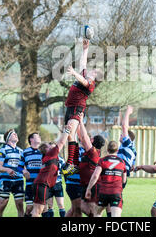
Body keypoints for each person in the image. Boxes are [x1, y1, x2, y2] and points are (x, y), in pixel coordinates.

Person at [62, 38, 100, 175]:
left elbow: (83, 80)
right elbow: (83, 63)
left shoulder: (90, 84)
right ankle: (75, 163)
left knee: (70, 134)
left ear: (94, 78)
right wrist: (85, 49)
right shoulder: (84, 75)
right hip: (69, 108)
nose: (92, 71)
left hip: (77, 109)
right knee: (73, 135)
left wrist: (73, 73)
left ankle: (70, 163)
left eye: (94, 72)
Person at [31, 122, 77, 217]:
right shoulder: (51, 154)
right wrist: (67, 130)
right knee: (38, 211)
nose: (52, 146)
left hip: (40, 184)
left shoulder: (49, 157)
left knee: (37, 210)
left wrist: (74, 168)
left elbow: (65, 169)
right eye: (49, 146)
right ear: (47, 149)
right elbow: (61, 142)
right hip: (42, 184)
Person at [85, 140, 126, 217]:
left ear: (107, 150)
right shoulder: (122, 162)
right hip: (116, 192)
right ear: (117, 150)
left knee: (97, 214)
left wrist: (89, 188)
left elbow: (95, 176)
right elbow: (124, 180)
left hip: (103, 192)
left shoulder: (102, 160)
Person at [0, 129, 29, 217]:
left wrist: (24, 171)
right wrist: (7, 170)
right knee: (2, 205)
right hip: (6, 181)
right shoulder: (3, 150)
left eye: (16, 134)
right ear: (8, 138)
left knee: (20, 205)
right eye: (13, 134)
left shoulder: (21, 151)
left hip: (19, 181)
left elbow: (22, 167)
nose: (16, 135)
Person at [77, 113, 105, 217]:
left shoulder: (93, 152)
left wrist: (80, 121)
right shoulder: (90, 151)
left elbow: (84, 137)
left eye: (91, 138)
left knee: (93, 211)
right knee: (81, 206)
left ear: (93, 142)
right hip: (85, 185)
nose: (90, 138)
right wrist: (75, 124)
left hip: (93, 185)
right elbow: (81, 136)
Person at [64, 129, 85, 217]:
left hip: (81, 185)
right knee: (78, 209)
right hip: (73, 184)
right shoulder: (77, 150)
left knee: (74, 209)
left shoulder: (90, 152)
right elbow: (66, 170)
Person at [23, 132, 42, 217]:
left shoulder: (43, 151)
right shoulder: (25, 152)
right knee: (29, 207)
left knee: (41, 209)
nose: (40, 138)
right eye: (37, 136)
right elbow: (19, 166)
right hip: (30, 184)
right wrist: (23, 171)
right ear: (31, 139)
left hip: (41, 185)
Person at [43, 152, 66, 217]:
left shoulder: (60, 159)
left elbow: (64, 170)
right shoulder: (45, 159)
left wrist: (68, 170)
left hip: (57, 184)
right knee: (50, 205)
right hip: (48, 185)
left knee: (61, 204)